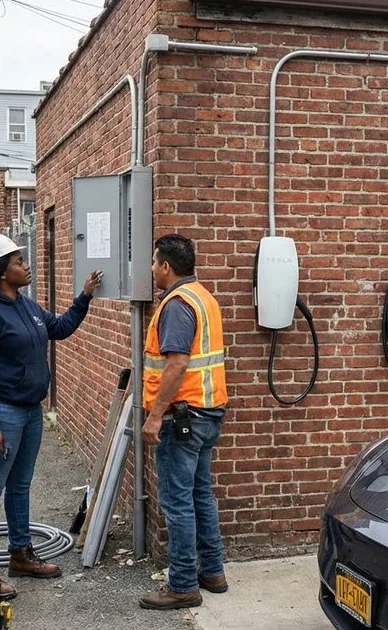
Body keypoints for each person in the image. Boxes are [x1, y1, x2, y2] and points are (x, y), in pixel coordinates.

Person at [0, 232, 103, 599]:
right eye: (19, 261)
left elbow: (58, 328)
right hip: (2, 414)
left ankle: (20, 554)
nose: (26, 266)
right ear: (1, 271)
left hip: (29, 410)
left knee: (20, 486)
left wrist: (84, 297)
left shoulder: (25, 305)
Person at [139, 234, 228, 610]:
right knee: (199, 495)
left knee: (177, 503)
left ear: (165, 266)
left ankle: (182, 585)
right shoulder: (203, 297)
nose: (152, 268)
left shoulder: (177, 305)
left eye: (154, 262)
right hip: (207, 412)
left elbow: (176, 364)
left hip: (182, 416)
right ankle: (213, 572)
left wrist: (154, 415)